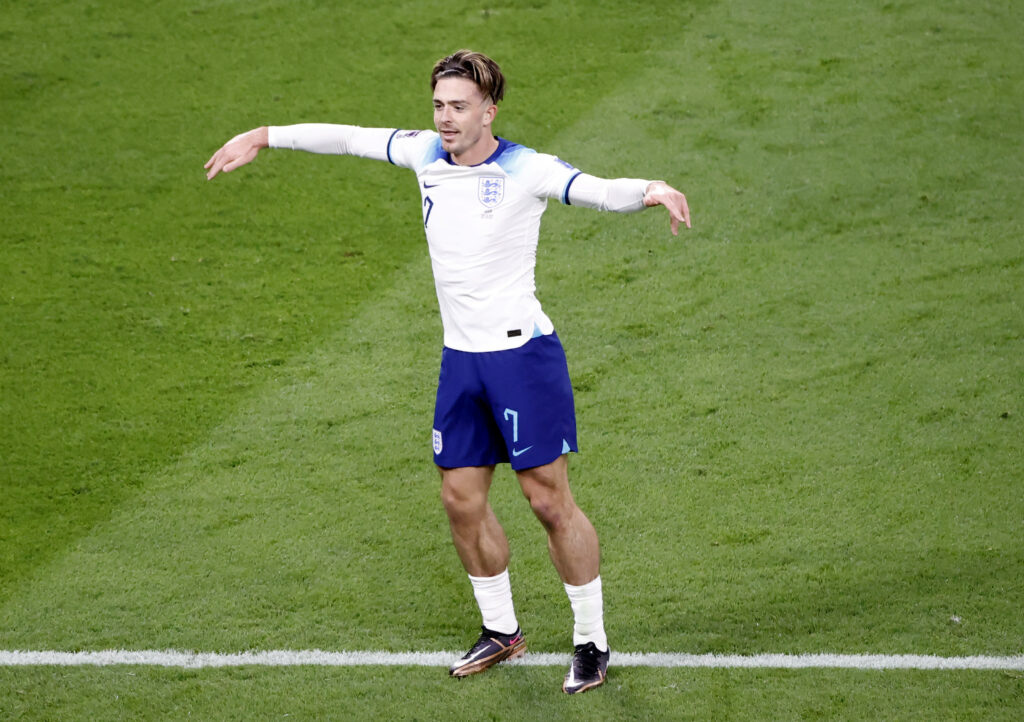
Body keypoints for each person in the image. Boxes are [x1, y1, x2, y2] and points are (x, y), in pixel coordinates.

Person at [205, 49, 690, 695]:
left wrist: (652, 189)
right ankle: (502, 632)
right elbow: (349, 139)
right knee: (461, 499)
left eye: (459, 106)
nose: (445, 119)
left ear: (489, 110)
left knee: (548, 501)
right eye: (439, 105)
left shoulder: (526, 168)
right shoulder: (422, 154)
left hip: (522, 359)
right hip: (461, 361)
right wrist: (261, 135)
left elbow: (596, 190)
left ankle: (591, 641)